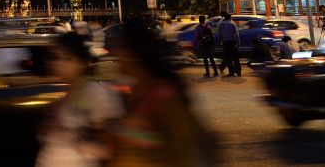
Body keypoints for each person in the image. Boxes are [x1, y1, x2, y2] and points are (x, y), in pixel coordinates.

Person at [110, 19, 214, 166]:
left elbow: (182, 152)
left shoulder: (163, 96)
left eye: (119, 46)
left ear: (133, 53)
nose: (115, 53)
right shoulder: (139, 92)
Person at [36, 32, 123, 166]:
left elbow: (112, 146)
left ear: (80, 62)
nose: (54, 63)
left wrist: (79, 145)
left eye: (62, 58)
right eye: (53, 58)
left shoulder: (94, 92)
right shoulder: (69, 94)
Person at [218, 13, 241, 77]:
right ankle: (238, 72)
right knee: (236, 57)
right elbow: (237, 34)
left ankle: (231, 72)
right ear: (230, 18)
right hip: (233, 42)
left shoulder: (221, 24)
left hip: (225, 42)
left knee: (228, 58)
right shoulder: (233, 24)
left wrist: (221, 41)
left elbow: (219, 34)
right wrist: (238, 43)